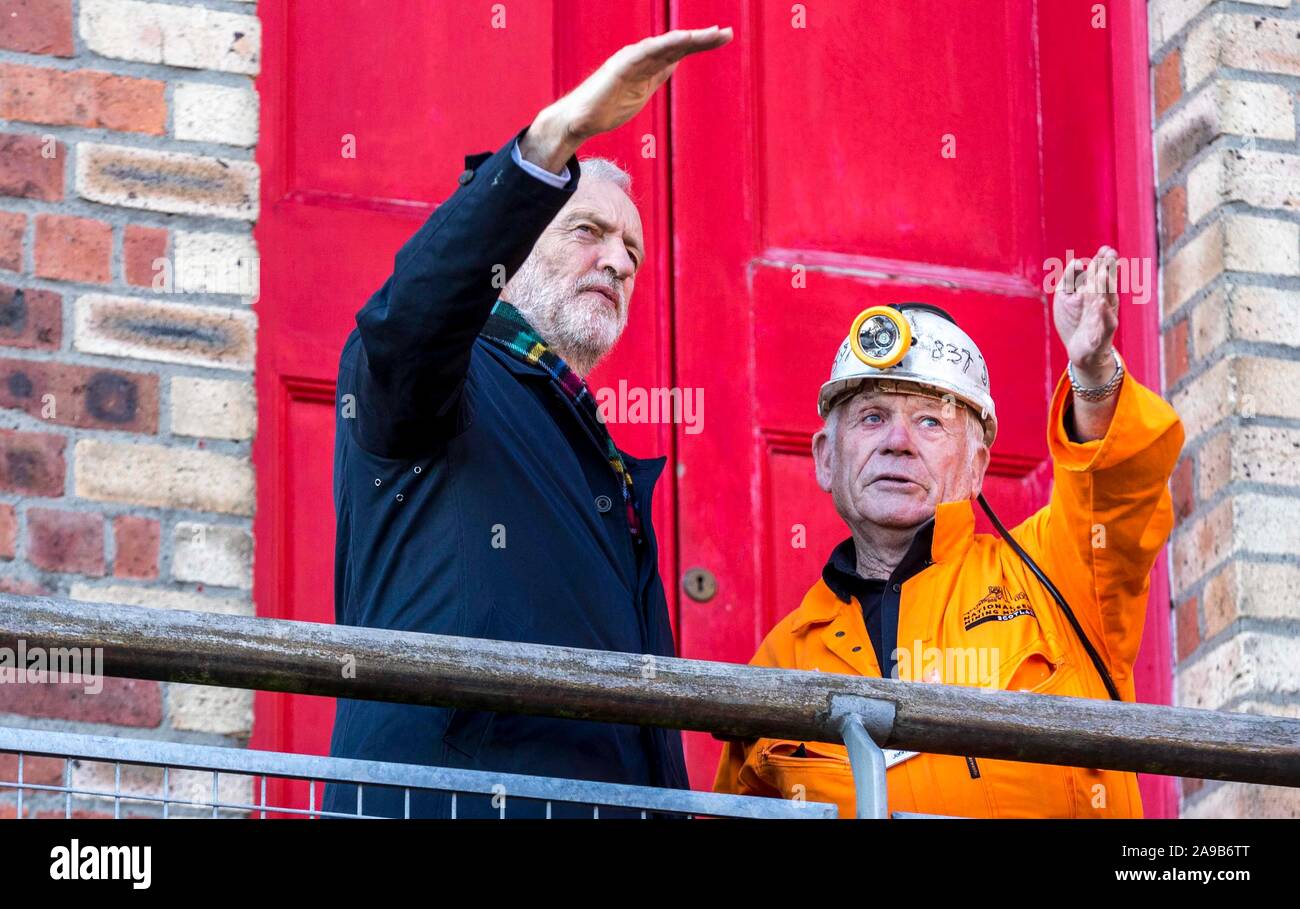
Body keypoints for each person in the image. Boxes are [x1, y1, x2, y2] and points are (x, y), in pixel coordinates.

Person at [323, 26, 733, 818]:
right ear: (510, 251)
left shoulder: (591, 453)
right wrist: (553, 143)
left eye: (632, 251)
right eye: (588, 231)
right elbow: (413, 318)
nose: (616, 261)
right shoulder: (444, 379)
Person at [713, 247, 1185, 818]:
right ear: (825, 458)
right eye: (871, 416)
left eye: (931, 421)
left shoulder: (1057, 575)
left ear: (977, 464)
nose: (897, 441)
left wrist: (1092, 375)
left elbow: (1117, 488)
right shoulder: (781, 661)